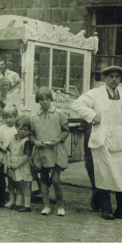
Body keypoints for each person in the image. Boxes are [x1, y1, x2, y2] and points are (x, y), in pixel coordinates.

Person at [71, 65, 122, 221]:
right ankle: (105, 208)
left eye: (117, 77)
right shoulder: (95, 94)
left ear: (120, 79)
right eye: (111, 76)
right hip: (102, 137)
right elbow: (76, 105)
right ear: (105, 78)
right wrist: (92, 115)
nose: (114, 79)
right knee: (104, 172)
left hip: (121, 136)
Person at [30, 86, 70, 216]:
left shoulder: (58, 113)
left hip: (55, 150)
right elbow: (31, 134)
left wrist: (57, 140)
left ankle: (60, 206)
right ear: (38, 101)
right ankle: (46, 205)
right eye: (41, 99)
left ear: (50, 99)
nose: (45, 102)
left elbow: (66, 130)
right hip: (42, 152)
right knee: (43, 179)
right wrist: (36, 142)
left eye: (47, 99)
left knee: (56, 179)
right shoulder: (34, 116)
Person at [5, 115, 33, 212]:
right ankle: (18, 203)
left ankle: (27, 205)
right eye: (21, 129)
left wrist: (17, 165)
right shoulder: (13, 139)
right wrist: (8, 161)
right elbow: (8, 150)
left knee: (24, 185)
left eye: (26, 129)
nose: (23, 131)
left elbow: (27, 156)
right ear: (16, 127)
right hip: (12, 164)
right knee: (16, 184)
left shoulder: (27, 142)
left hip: (21, 166)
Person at [0, 105, 19, 209]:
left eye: (11, 117)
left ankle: (19, 199)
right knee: (7, 178)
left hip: (16, 155)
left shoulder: (17, 128)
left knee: (17, 178)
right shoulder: (2, 128)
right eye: (6, 117)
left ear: (16, 116)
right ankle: (10, 199)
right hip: (5, 154)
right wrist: (4, 149)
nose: (8, 119)